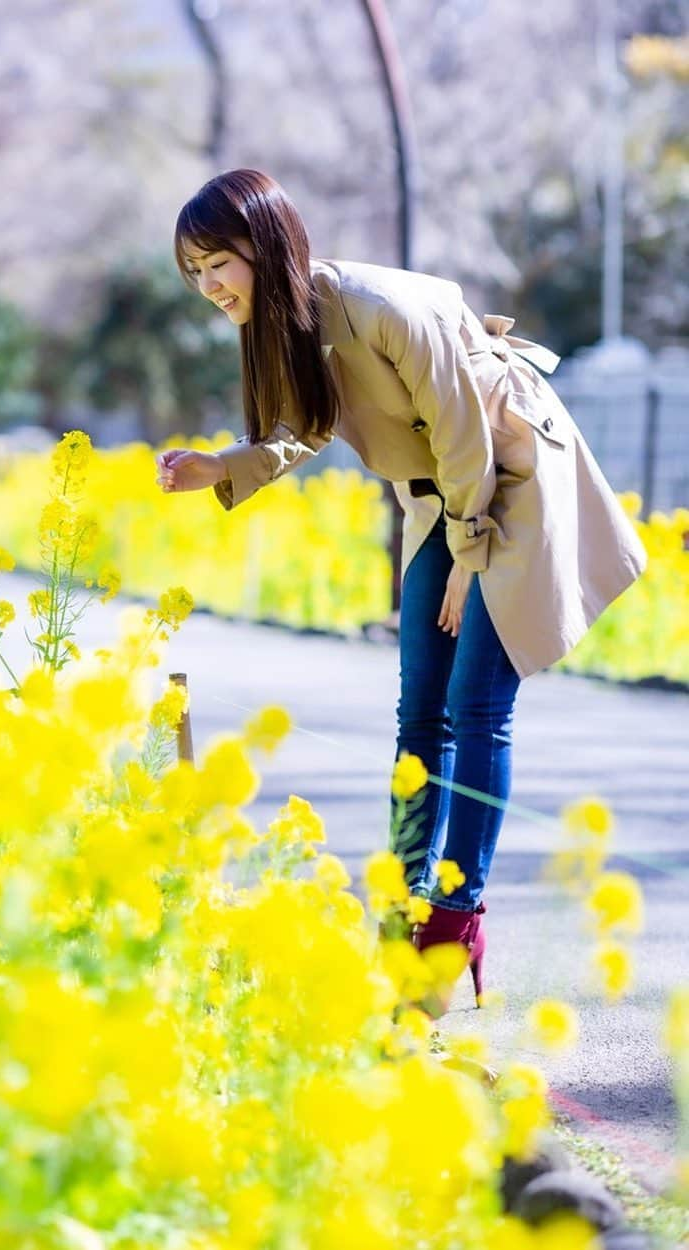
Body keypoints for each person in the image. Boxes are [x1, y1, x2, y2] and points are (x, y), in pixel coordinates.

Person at [155, 169, 647, 1007]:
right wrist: (221, 466)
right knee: (419, 710)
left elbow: (464, 437)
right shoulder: (285, 325)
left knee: (476, 703)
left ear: (263, 245)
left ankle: (452, 930)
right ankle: (396, 918)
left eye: (217, 264)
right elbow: (302, 427)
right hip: (446, 504)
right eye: (194, 272)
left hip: (509, 484)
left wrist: (469, 553)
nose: (207, 287)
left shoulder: (384, 308)